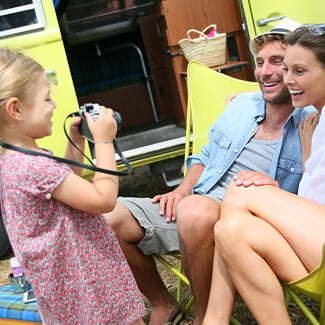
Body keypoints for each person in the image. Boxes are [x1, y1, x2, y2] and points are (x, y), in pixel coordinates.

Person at [106, 18, 315, 325]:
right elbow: (203, 156)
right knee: (107, 217)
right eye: (260, 63)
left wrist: (274, 190)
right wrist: (182, 189)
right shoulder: (241, 105)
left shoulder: (311, 121)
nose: (265, 72)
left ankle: (207, 316)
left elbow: (309, 201)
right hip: (195, 202)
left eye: (278, 63)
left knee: (197, 212)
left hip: (244, 225)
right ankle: (163, 303)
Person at [0, 48, 145, 325]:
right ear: (16, 109)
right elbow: (103, 199)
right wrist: (103, 141)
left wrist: (76, 143)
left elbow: (64, 183)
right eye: (46, 99)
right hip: (83, 276)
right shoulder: (32, 166)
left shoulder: (15, 159)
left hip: (65, 281)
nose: (54, 105)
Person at [203, 24, 325, 324]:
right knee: (229, 230)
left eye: (299, 70)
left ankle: (214, 321)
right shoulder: (317, 122)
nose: (289, 80)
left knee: (243, 189)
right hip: (315, 246)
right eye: (288, 70)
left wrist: (273, 196)